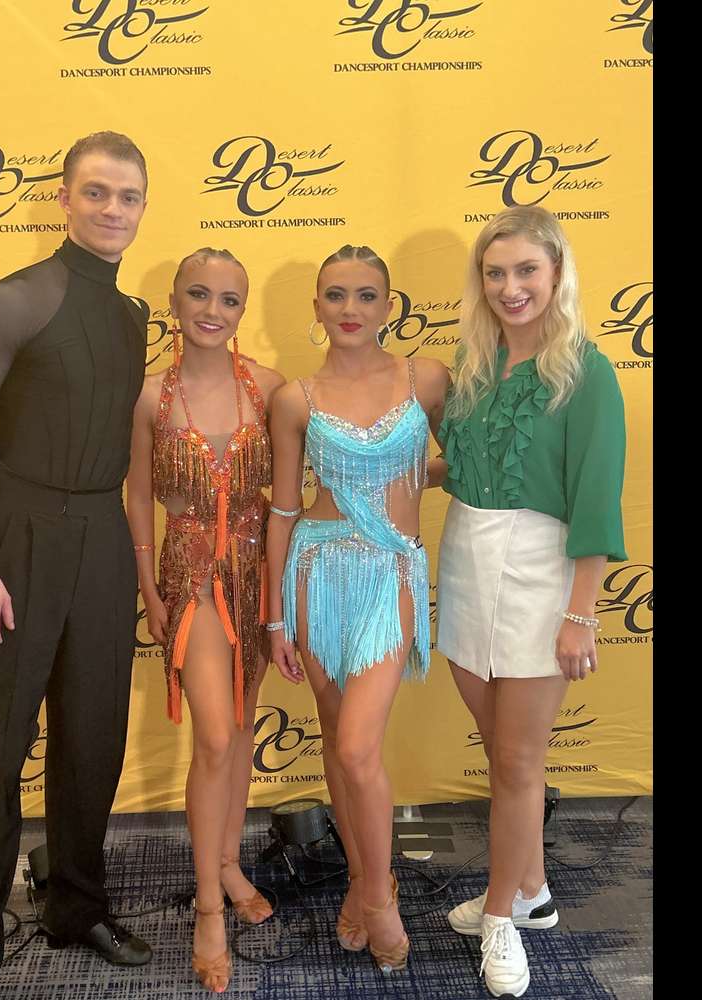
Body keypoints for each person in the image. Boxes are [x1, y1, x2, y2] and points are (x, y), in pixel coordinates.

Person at [0, 131, 155, 1000]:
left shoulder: (133, 316)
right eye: (96, 192)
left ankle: (76, 908)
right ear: (62, 197)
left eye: (128, 197)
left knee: (92, 744)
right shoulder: (14, 301)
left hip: (101, 539)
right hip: (14, 539)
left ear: (143, 207)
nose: (111, 210)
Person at [435, 205, 627, 998]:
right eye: (495, 272)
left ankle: (503, 919)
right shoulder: (474, 365)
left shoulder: (588, 372)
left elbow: (595, 500)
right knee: (502, 751)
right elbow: (464, 467)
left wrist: (580, 612)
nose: (510, 288)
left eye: (526, 271)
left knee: (517, 764)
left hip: (544, 575)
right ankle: (533, 890)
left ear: (556, 274)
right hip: (466, 561)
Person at [266, 245, 450, 975]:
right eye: (335, 295)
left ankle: (379, 895)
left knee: (354, 746)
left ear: (388, 304)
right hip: (316, 570)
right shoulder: (295, 399)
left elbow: (463, 459)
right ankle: (359, 880)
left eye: (366, 295)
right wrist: (276, 616)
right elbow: (283, 508)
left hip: (391, 572)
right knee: (338, 734)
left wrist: (414, 477)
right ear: (316, 308)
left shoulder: (425, 378)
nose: (350, 308)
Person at [125, 248, 285, 993]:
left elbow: (318, 470)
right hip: (191, 577)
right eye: (199, 294)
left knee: (242, 729)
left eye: (228, 299)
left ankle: (228, 859)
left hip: (258, 575)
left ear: (241, 310)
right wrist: (151, 594)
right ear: (175, 301)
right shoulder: (150, 396)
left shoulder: (273, 389)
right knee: (215, 735)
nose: (212, 310)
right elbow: (135, 498)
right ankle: (209, 904)